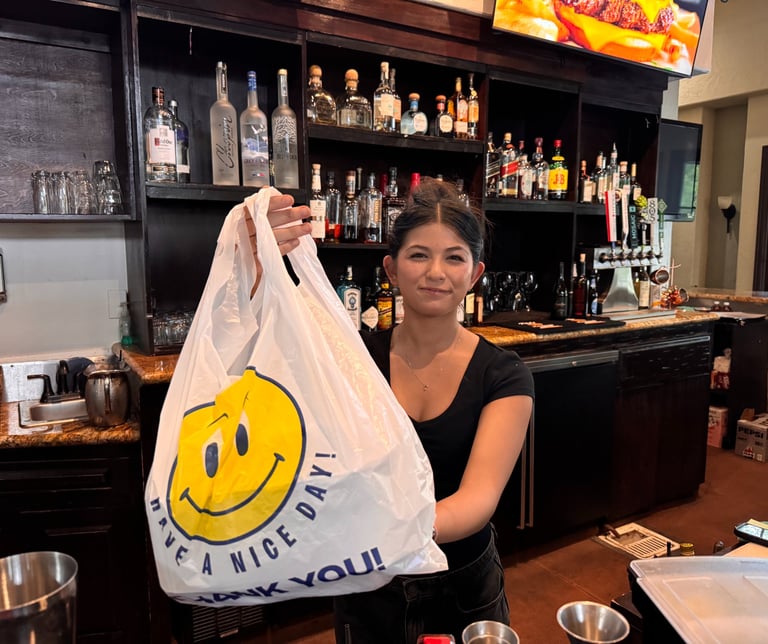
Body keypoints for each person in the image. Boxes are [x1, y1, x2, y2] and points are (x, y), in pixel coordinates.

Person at [254, 180, 534, 644]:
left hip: (462, 581)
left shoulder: (503, 374)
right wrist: (258, 264)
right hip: (370, 587)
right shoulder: (353, 360)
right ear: (391, 268)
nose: (436, 272)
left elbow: (476, 502)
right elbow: (272, 355)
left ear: (476, 272)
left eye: (455, 257)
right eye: (419, 255)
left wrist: (375, 534)